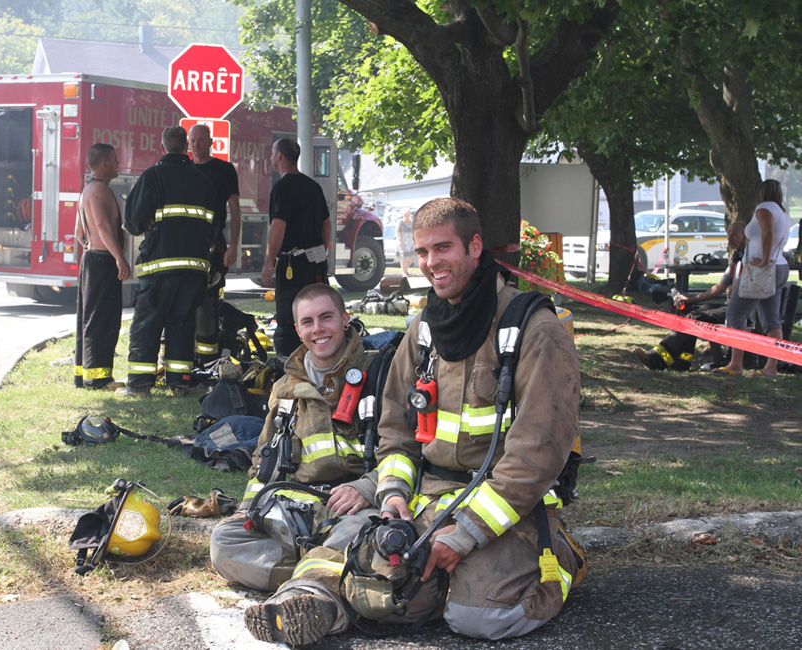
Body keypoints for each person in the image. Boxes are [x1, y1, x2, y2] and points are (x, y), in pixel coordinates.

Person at [244, 198, 585, 646]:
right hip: (431, 500)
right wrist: (392, 498)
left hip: (506, 509)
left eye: (443, 248)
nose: (431, 263)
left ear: (475, 246)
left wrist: (465, 536)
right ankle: (312, 606)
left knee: (476, 619)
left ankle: (561, 559)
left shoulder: (534, 330)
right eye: (422, 252)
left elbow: (537, 455)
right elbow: (397, 432)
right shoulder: (423, 330)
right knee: (379, 586)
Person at [210, 283, 378, 593]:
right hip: (294, 517)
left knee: (367, 531)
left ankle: (309, 586)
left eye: (326, 318)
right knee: (224, 543)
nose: (318, 329)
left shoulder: (379, 374)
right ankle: (327, 578)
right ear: (298, 330)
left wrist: (367, 487)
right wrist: (249, 509)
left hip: (353, 512)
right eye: (308, 322)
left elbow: (407, 451)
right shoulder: (285, 389)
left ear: (345, 319)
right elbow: (263, 463)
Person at [116, 126, 215, 397]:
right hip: (194, 267)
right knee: (183, 324)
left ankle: (139, 384)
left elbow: (133, 222)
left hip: (160, 265)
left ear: (162, 148)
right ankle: (180, 382)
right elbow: (215, 226)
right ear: (186, 148)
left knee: (148, 323)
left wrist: (148, 222)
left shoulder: (153, 176)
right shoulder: (203, 181)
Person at [633, 222, 745, 372]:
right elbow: (718, 288)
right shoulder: (737, 259)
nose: (729, 238)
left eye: (734, 235)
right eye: (728, 234)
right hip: (732, 307)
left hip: (742, 312)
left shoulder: (751, 260)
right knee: (687, 310)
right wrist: (690, 300)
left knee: (695, 316)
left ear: (746, 237)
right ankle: (681, 362)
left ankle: (656, 359)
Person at [261, 138, 331, 356]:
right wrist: (321, 253)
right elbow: (326, 225)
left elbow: (278, 227)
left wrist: (269, 262)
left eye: (273, 153)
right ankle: (319, 357)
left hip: (293, 267)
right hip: (316, 266)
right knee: (318, 312)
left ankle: (290, 368)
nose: (272, 157)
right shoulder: (313, 186)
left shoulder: (281, 188)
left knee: (290, 318)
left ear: (279, 156)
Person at [715, 179, 792, 378]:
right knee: (771, 319)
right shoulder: (783, 213)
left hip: (763, 270)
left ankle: (736, 364)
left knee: (735, 313)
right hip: (780, 267)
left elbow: (768, 232)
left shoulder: (764, 207)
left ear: (761, 193)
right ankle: (771, 367)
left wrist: (764, 260)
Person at [73, 144, 131, 390]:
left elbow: (78, 231)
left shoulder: (86, 190)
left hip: (91, 260)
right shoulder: (100, 191)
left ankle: (84, 374)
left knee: (88, 318)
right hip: (102, 261)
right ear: (105, 163)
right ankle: (98, 378)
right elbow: (103, 226)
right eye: (116, 160)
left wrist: (91, 246)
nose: (119, 164)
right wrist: (119, 257)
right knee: (103, 320)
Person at [189, 124, 242, 366]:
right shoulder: (184, 170)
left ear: (211, 142)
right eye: (192, 141)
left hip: (214, 249)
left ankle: (208, 360)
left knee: (208, 303)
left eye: (201, 140)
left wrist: (233, 247)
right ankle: (185, 355)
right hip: (187, 247)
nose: (196, 145)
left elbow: (235, 210)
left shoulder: (224, 170)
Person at [396, 207, 415, 277]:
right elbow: (397, 232)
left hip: (410, 242)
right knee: (403, 257)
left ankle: (405, 270)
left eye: (408, 215)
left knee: (411, 257)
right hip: (402, 241)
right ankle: (404, 272)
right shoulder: (400, 222)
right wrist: (399, 240)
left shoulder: (412, 222)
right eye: (406, 215)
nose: (407, 217)